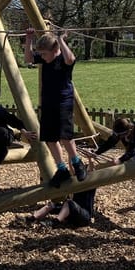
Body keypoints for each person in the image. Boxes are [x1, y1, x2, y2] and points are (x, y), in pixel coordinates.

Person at [24, 28, 87, 188]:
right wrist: (29, 38)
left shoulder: (63, 60)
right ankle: (61, 168)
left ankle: (76, 162)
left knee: (65, 135)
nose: (43, 57)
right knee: (50, 138)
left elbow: (71, 58)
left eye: (45, 54)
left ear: (55, 49)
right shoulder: (46, 58)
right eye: (42, 54)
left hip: (63, 101)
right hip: (47, 102)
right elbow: (28, 58)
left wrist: (61, 40)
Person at [26, 185, 96, 228]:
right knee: (53, 204)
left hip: (84, 218)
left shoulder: (90, 185)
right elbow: (72, 172)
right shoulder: (77, 182)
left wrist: (90, 160)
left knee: (69, 203)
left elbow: (92, 170)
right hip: (72, 215)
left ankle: (55, 222)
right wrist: (71, 161)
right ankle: (33, 217)